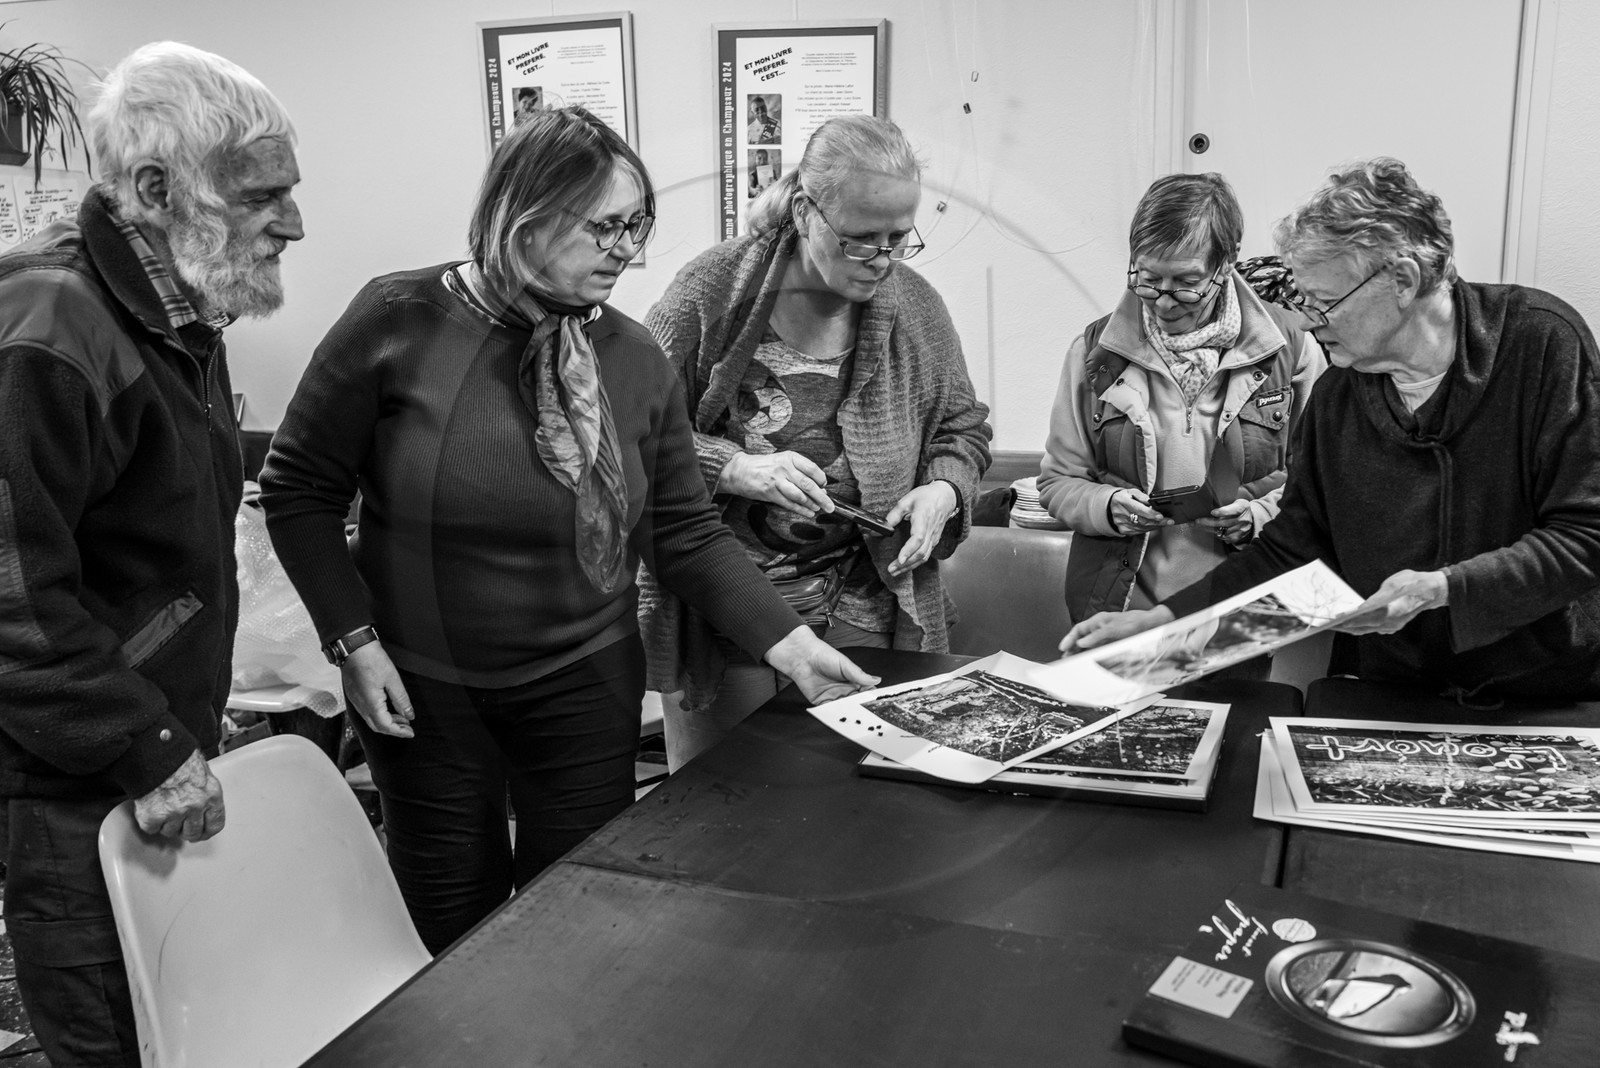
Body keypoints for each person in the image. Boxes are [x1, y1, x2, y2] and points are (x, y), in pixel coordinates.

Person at [259, 107, 875, 954]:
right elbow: (298, 490)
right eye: (608, 226)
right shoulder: (397, 319)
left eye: (639, 225)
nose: (630, 249)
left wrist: (793, 647)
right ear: (527, 215)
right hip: (425, 689)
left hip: (584, 684)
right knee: (449, 926)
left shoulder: (631, 356)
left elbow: (685, 532)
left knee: (575, 924)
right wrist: (352, 642)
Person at [0, 42, 302, 1064]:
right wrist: (148, 743)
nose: (293, 222)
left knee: (180, 1020)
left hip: (139, 743)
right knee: (114, 1039)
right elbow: (9, 597)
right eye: (261, 196)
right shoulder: (46, 325)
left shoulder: (176, 309)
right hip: (67, 773)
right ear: (155, 188)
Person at [1062, 157, 1600, 703]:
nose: (1311, 321)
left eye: (1324, 303)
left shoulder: (1541, 344)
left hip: (1545, 690)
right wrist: (1163, 624)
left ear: (1403, 281)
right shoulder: (1338, 396)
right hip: (1395, 688)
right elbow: (1292, 555)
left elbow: (1587, 535)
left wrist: (1443, 589)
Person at [640, 114, 992, 769]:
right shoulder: (709, 293)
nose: (882, 261)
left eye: (898, 238)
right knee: (724, 812)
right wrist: (730, 466)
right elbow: (629, 428)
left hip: (872, 603)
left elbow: (961, 431)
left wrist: (943, 491)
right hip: (731, 611)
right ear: (805, 212)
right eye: (862, 240)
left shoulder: (916, 309)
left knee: (857, 820)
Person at [1039, 173, 1324, 652]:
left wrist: (1259, 514)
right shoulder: (1095, 353)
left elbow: (1319, 483)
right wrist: (1107, 508)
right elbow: (1057, 482)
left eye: (1187, 283)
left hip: (1242, 609)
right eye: (1149, 279)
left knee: (1237, 723)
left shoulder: (1291, 350)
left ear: (1227, 262)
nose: (1165, 301)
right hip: (1120, 607)